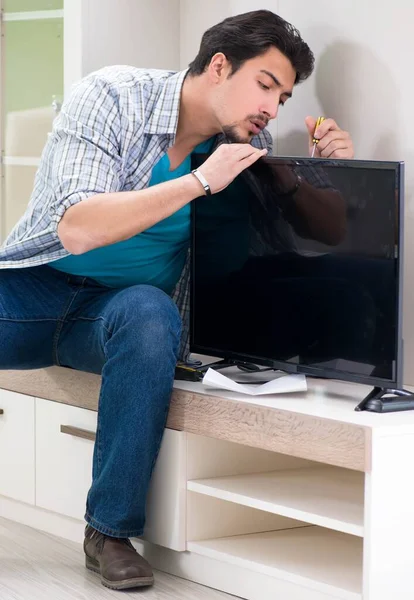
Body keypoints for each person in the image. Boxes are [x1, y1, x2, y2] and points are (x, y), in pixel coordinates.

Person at [0, 9, 354, 591]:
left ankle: (109, 532)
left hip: (115, 314)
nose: (272, 107)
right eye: (265, 85)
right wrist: (197, 182)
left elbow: (332, 232)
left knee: (149, 313)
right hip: (34, 285)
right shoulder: (112, 97)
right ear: (219, 66)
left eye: (284, 97)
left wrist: (328, 169)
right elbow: (76, 228)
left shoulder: (244, 142)